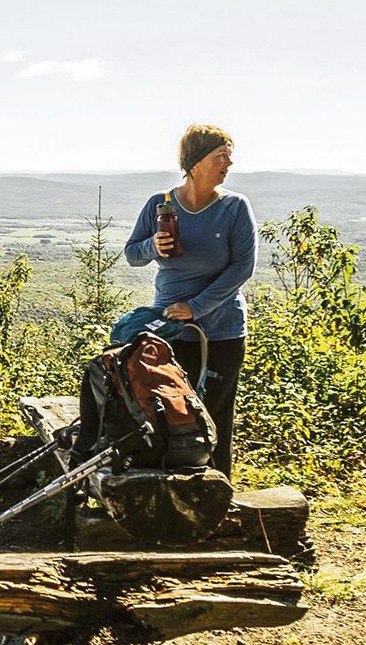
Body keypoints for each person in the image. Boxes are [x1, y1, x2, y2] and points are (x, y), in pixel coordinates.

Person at [120, 124, 257, 477]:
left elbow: (242, 267)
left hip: (222, 330)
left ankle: (218, 489)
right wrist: (153, 246)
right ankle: (173, 489)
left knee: (216, 413)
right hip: (169, 328)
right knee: (170, 410)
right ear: (195, 162)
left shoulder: (235, 208)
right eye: (220, 156)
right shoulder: (159, 205)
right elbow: (132, 254)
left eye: (229, 155)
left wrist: (196, 307)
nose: (228, 163)